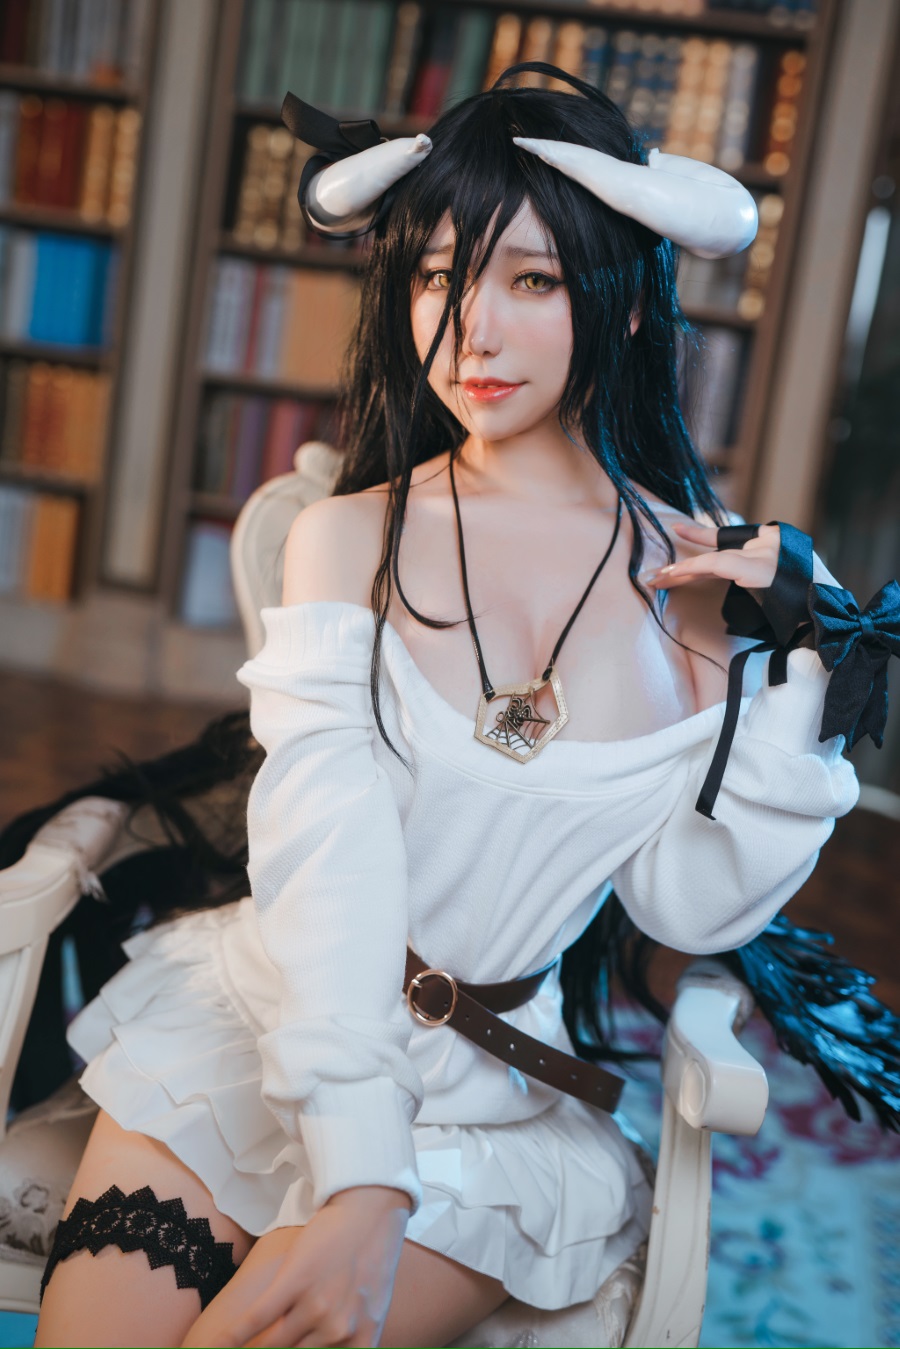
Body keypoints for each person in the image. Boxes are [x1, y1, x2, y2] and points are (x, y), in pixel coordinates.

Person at [30, 64, 895, 1348]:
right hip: (273, 1016)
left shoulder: (709, 592)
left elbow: (688, 906)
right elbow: (327, 858)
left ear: (628, 301)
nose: (467, 331)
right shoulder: (348, 537)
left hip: (493, 1103)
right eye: (438, 276)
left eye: (531, 281)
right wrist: (362, 1173)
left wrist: (805, 661)